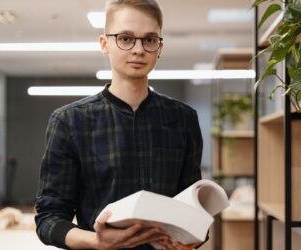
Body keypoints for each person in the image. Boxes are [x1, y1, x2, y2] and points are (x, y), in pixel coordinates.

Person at [35, 0, 204, 249]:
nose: (138, 49)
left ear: (159, 47)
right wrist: (97, 241)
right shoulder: (70, 121)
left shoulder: (183, 119)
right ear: (105, 43)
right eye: (126, 38)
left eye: (149, 39)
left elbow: (193, 208)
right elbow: (48, 219)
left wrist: (194, 239)